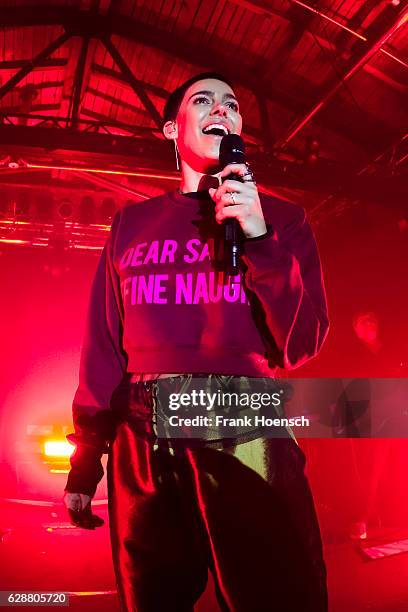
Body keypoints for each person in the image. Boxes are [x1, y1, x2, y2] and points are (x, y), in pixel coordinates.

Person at [63, 72, 330, 611]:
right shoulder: (131, 225)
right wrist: (87, 454)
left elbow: (301, 342)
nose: (222, 109)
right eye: (203, 100)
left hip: (241, 420)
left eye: (232, 104)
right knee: (151, 598)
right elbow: (104, 346)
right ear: (172, 128)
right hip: (144, 428)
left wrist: (258, 237)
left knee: (275, 594)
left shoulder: (282, 218)